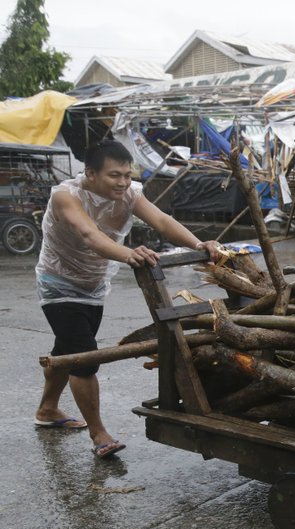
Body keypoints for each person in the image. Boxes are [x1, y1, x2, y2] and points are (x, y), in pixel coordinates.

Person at [33, 140, 223, 459]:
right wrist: (128, 254)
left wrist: (198, 244)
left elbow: (161, 221)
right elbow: (89, 236)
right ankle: (99, 434)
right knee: (83, 356)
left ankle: (47, 409)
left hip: (95, 282)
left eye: (126, 174)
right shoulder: (66, 195)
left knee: (67, 349)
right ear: (90, 173)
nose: (123, 181)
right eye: (114, 175)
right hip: (59, 281)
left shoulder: (131, 193)